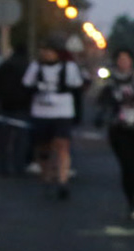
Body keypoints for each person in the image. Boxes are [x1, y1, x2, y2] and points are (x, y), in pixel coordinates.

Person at [96, 47, 134, 221]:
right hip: (119, 129)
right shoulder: (110, 82)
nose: (123, 62)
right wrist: (102, 116)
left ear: (131, 61)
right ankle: (132, 203)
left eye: (126, 58)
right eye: (120, 59)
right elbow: (102, 102)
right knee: (128, 167)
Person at [22, 43, 86, 200]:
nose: (47, 54)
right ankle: (46, 175)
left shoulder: (69, 67)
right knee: (43, 147)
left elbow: (77, 86)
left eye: (50, 51)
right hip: (41, 112)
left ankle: (63, 180)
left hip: (62, 111)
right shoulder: (35, 67)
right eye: (44, 51)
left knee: (62, 144)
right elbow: (26, 84)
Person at [0, 46, 32, 176]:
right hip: (22, 107)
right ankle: (19, 167)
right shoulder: (27, 66)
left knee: (3, 141)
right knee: (21, 141)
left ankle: (3, 168)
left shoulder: (4, 66)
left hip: (4, 107)